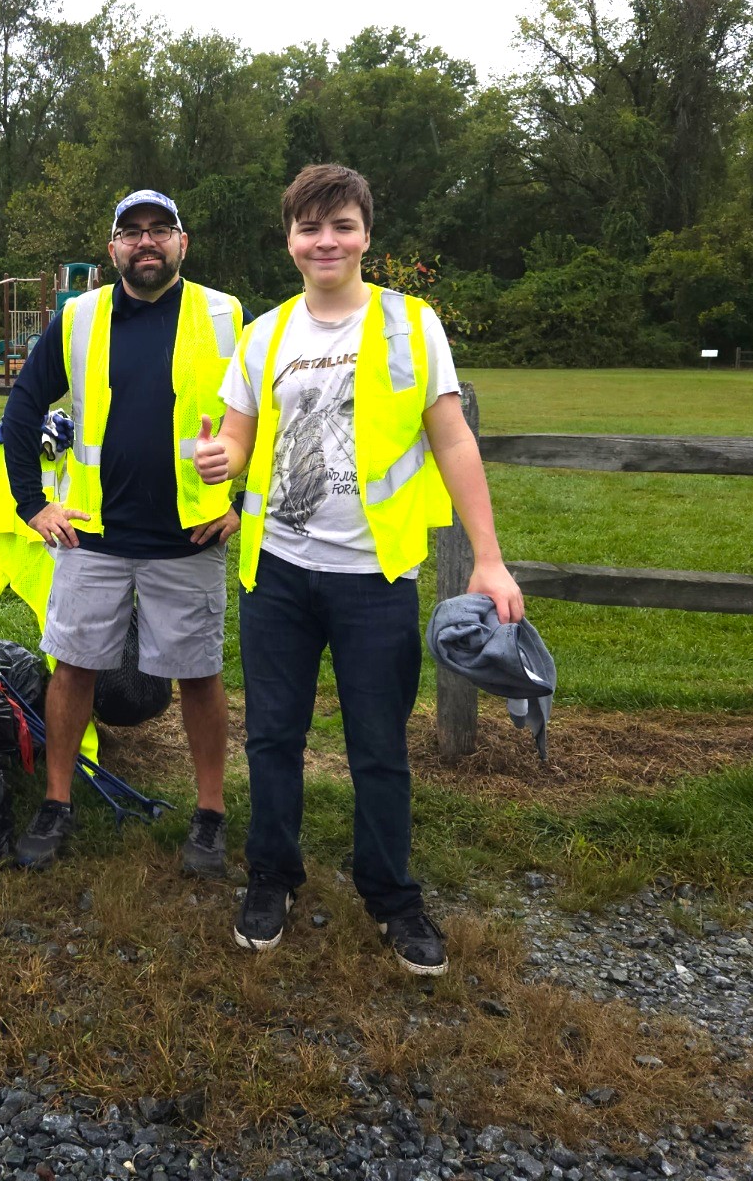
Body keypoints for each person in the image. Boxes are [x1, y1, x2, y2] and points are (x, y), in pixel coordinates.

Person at [195, 163, 523, 971]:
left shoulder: (413, 326)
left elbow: (451, 440)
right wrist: (219, 457)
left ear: (366, 234)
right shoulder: (264, 334)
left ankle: (391, 895)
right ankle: (273, 877)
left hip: (376, 580)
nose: (326, 241)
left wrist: (489, 559)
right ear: (290, 241)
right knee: (273, 738)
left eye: (341, 225)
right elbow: (239, 436)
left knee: (379, 745)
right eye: (310, 228)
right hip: (276, 576)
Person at [1, 190, 243, 873]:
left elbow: (269, 415)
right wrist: (30, 504)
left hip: (189, 536)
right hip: (93, 537)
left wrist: (243, 504)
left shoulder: (225, 316)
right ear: (112, 249)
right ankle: (56, 802)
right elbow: (22, 409)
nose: (146, 242)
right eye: (131, 232)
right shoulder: (78, 318)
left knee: (198, 675)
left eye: (159, 229)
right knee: (72, 667)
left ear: (182, 243)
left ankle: (211, 813)